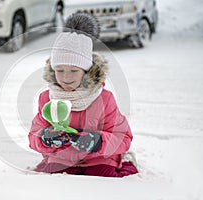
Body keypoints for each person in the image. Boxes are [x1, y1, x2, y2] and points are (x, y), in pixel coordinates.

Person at [28, 13, 138, 177]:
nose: (66, 77)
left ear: (86, 71)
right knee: (52, 176)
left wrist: (98, 141)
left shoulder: (103, 99)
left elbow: (123, 137)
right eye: (60, 70)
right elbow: (33, 136)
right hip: (62, 158)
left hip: (98, 159)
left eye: (74, 70)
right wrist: (45, 138)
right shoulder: (47, 98)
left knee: (104, 175)